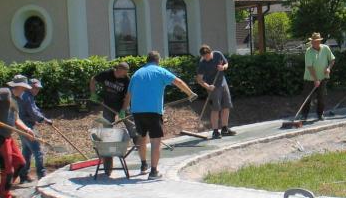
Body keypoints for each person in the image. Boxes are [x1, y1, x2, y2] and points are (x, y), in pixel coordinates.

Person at [123, 51, 197, 179]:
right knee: (155, 141)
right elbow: (178, 81)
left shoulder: (137, 74)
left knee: (142, 137)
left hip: (137, 111)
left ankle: (143, 165)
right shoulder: (160, 71)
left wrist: (124, 109)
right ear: (158, 60)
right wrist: (190, 93)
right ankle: (153, 172)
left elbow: (128, 94)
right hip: (153, 110)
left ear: (147, 60)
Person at [0, 75, 36, 198]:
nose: (25, 90)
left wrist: (27, 129)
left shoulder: (16, 100)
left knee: (20, 164)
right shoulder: (5, 92)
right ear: (19, 86)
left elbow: (16, 120)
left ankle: (3, 190)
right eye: (24, 87)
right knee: (8, 170)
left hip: (7, 137)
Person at [89, 62, 144, 163]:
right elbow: (93, 79)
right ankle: (108, 156)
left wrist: (123, 110)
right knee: (107, 128)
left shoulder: (127, 80)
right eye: (120, 72)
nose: (122, 75)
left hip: (123, 105)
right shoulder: (107, 74)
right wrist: (93, 93)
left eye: (124, 73)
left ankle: (142, 154)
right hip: (108, 105)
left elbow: (128, 96)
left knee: (132, 128)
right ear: (117, 69)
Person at [195, 44, 236, 139]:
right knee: (215, 108)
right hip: (212, 87)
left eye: (207, 56)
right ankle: (215, 131)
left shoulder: (218, 54)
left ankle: (225, 128)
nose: (206, 58)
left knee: (226, 106)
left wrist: (223, 67)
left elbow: (226, 64)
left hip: (223, 83)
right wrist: (207, 86)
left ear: (211, 52)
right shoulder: (202, 63)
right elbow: (199, 79)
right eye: (204, 57)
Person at [17, 78, 53, 183]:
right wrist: (45, 120)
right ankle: (42, 176)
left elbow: (34, 110)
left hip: (22, 126)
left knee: (27, 151)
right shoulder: (27, 96)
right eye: (35, 88)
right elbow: (33, 112)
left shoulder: (26, 95)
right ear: (30, 87)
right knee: (38, 150)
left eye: (38, 88)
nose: (37, 90)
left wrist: (40, 119)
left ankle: (23, 176)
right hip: (27, 127)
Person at [301, 32, 335, 121]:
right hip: (310, 78)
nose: (314, 43)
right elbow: (309, 67)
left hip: (322, 78)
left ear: (320, 41)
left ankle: (320, 114)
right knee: (307, 98)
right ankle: (304, 115)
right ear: (311, 41)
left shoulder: (326, 48)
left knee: (321, 97)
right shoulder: (309, 51)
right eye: (313, 41)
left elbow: (332, 59)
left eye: (316, 41)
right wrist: (315, 80)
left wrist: (329, 68)